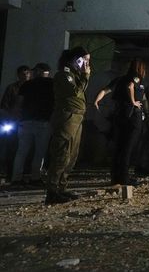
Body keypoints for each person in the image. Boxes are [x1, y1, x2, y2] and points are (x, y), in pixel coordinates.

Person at [45, 47, 91, 204]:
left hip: (77, 117)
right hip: (67, 117)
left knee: (72, 155)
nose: (86, 64)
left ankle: (61, 188)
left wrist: (83, 75)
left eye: (88, 60)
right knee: (62, 153)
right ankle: (52, 192)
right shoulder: (64, 75)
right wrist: (85, 75)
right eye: (84, 60)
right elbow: (76, 92)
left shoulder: (75, 76)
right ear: (75, 60)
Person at [11, 63, 54, 186]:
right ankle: (36, 177)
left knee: (21, 151)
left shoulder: (27, 84)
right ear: (47, 72)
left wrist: (17, 117)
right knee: (40, 152)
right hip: (44, 122)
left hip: (26, 121)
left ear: (38, 71)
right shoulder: (52, 84)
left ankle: (16, 178)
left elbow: (19, 103)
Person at [110, 59, 147, 186]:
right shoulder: (135, 79)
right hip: (132, 116)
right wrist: (133, 102)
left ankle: (116, 177)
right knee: (128, 148)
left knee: (120, 147)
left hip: (121, 115)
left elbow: (109, 92)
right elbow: (130, 86)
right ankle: (124, 177)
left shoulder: (121, 79)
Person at [1, 65, 31, 180]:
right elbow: (5, 104)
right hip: (14, 122)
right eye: (23, 74)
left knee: (26, 148)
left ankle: (24, 174)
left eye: (27, 73)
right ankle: (10, 173)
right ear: (18, 75)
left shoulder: (32, 88)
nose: (25, 76)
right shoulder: (12, 88)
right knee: (12, 147)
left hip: (27, 122)